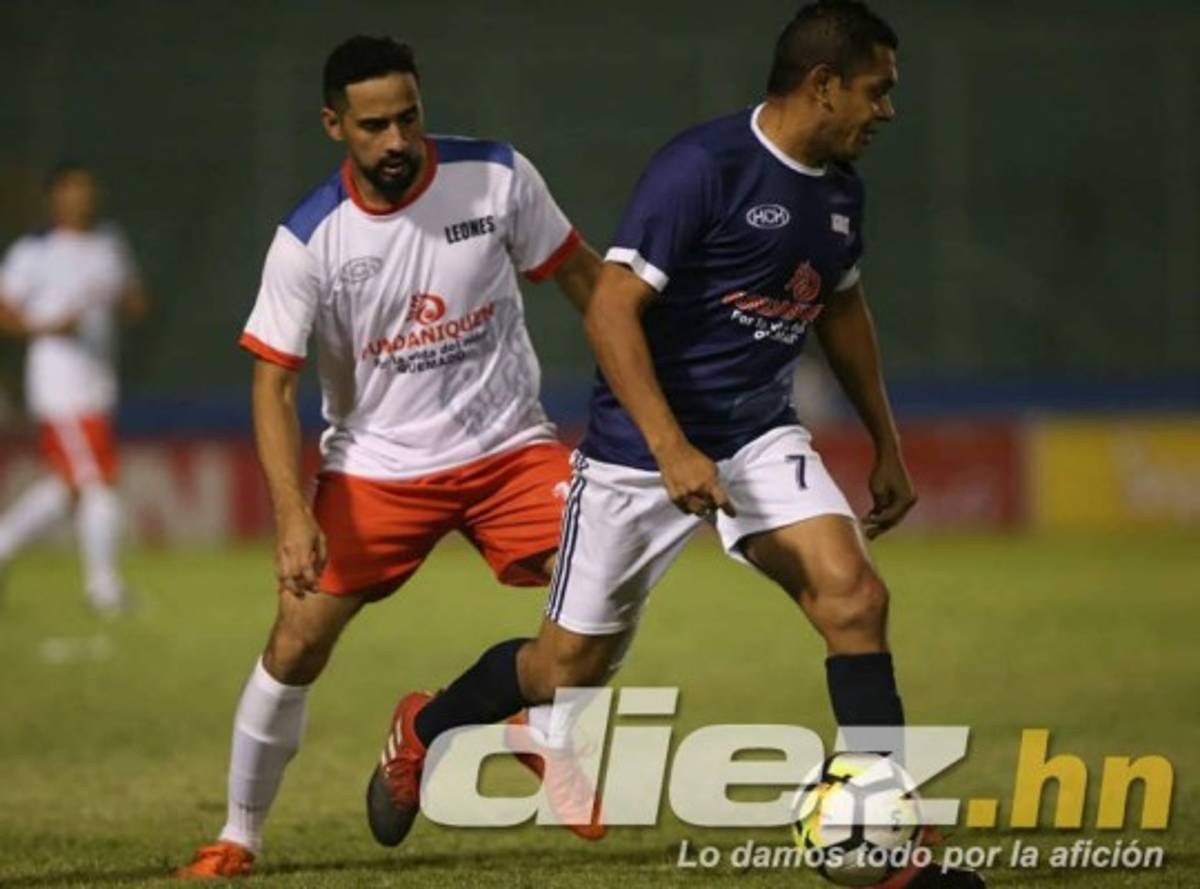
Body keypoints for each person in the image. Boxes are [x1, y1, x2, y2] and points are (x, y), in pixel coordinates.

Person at [371, 3, 984, 887]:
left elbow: (843, 311)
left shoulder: (840, 192)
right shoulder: (704, 166)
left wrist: (886, 441)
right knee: (561, 668)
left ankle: (889, 838)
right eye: (875, 90)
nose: (886, 109)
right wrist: (670, 447)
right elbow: (611, 308)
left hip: (758, 436)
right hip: (636, 451)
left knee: (854, 597)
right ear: (823, 85)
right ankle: (422, 729)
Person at [175, 35, 604, 880]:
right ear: (335, 125)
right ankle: (237, 835)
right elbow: (272, 386)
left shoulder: (497, 176)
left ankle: (523, 728)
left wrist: (652, 399)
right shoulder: (309, 240)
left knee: (600, 588)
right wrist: (292, 515)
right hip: (377, 471)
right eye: (374, 125)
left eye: (409, 117)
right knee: (296, 643)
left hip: (511, 450)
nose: (398, 139)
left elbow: (587, 282)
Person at [0, 164, 147, 614]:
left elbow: (132, 298)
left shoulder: (109, 244)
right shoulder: (33, 252)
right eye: (71, 189)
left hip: (98, 382)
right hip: (58, 385)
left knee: (68, 485)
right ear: (55, 197)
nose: (81, 198)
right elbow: (5, 312)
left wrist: (129, 302)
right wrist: (47, 326)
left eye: (86, 189)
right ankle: (103, 588)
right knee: (97, 480)